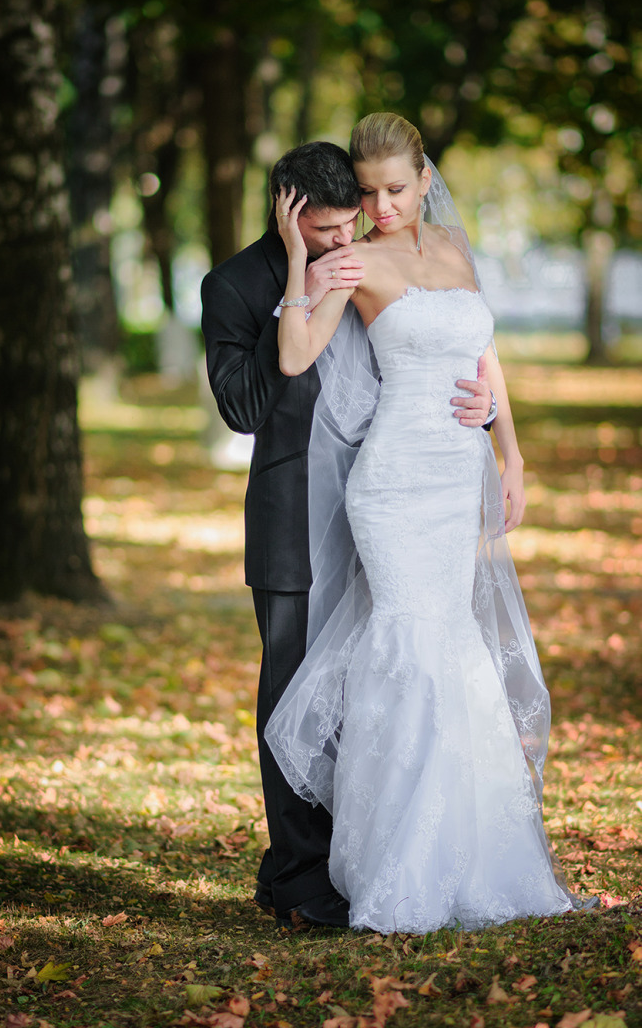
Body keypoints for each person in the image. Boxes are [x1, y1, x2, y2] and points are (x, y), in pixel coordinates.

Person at [264, 113, 577, 934]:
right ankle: (395, 861)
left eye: (396, 189)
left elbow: (485, 356)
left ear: (426, 179)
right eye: (369, 192)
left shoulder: (455, 250)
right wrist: (299, 258)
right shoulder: (354, 261)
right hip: (395, 484)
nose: (381, 207)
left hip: (456, 476)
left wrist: (511, 454)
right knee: (409, 643)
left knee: (457, 645)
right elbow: (295, 354)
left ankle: (474, 852)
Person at [201, 141, 493, 929]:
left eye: (347, 225)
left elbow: (426, 350)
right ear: (285, 209)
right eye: (323, 229)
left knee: (373, 681)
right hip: (294, 515)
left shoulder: (373, 254)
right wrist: (300, 280)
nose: (342, 241)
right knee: (294, 689)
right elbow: (242, 409)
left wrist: (486, 407)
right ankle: (298, 875)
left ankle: (357, 856)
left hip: (392, 504)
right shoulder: (234, 284)